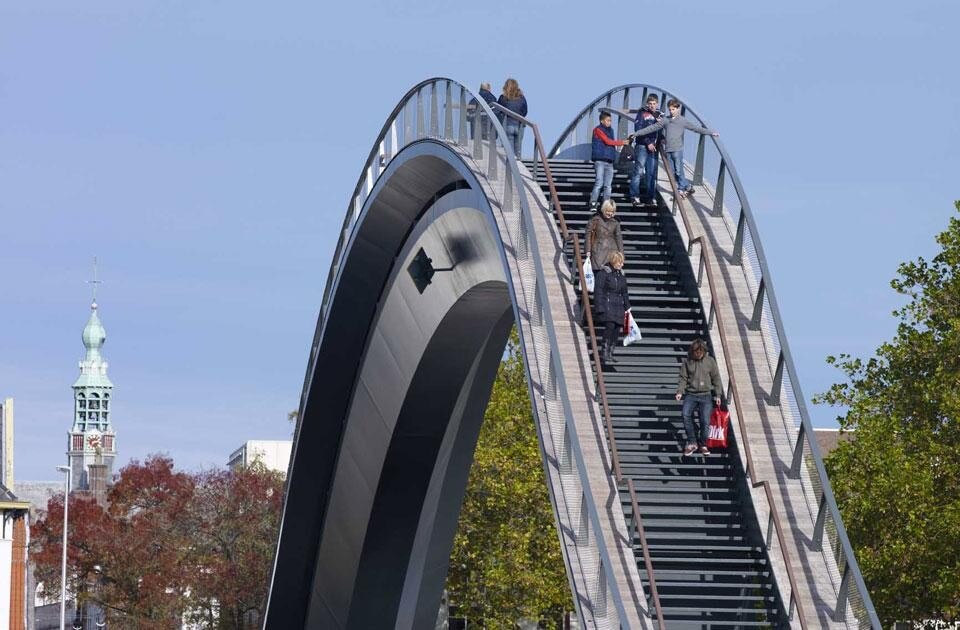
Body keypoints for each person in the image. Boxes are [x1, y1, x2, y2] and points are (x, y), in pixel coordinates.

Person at [675, 339, 723, 455]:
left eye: (700, 353)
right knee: (685, 414)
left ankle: (703, 445)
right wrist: (680, 391)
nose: (698, 355)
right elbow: (683, 378)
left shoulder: (710, 361)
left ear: (704, 351)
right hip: (691, 394)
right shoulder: (688, 362)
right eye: (696, 352)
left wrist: (718, 394)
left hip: (706, 395)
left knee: (705, 421)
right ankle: (692, 442)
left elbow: (716, 378)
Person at [663, 99, 719, 197]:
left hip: (677, 149)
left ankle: (680, 188)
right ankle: (687, 186)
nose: (671, 111)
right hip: (668, 149)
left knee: (678, 170)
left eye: (673, 109)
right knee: (671, 172)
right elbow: (655, 127)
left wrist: (710, 132)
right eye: (670, 110)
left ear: (678, 109)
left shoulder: (682, 120)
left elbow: (696, 128)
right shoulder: (666, 120)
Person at [629, 94, 668, 207]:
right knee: (639, 171)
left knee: (651, 173)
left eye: (654, 104)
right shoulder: (642, 114)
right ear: (647, 104)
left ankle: (651, 198)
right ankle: (634, 196)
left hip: (654, 148)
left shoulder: (660, 115)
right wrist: (648, 142)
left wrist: (662, 139)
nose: (652, 106)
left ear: (657, 104)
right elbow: (638, 130)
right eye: (650, 104)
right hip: (642, 146)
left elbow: (661, 129)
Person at [592, 251, 630, 365]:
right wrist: (599, 308)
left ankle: (610, 353)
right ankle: (604, 352)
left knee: (617, 329)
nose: (622, 265)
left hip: (619, 306)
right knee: (610, 326)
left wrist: (627, 307)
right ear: (614, 261)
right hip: (608, 304)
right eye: (620, 262)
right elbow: (598, 291)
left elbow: (625, 293)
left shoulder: (621, 275)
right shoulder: (604, 273)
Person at [589, 112, 633, 209]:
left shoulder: (611, 130)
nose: (610, 122)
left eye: (610, 120)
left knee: (608, 185)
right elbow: (607, 141)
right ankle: (593, 202)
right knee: (599, 182)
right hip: (600, 160)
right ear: (602, 121)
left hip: (609, 161)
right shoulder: (597, 130)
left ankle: (606, 204)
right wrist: (622, 142)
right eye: (608, 120)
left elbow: (611, 143)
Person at [585, 199, 623, 273]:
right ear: (603, 209)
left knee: (610, 274)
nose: (610, 213)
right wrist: (588, 250)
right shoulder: (595, 219)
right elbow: (588, 234)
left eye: (612, 211)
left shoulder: (616, 221)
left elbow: (619, 237)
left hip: (612, 251)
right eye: (608, 211)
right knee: (598, 273)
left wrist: (621, 253)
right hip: (598, 250)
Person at [497, 78, 528, 158]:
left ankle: (510, 168)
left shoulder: (503, 98)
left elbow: (498, 110)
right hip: (520, 125)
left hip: (507, 125)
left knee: (509, 152)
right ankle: (518, 167)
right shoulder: (522, 98)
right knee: (518, 150)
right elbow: (525, 111)